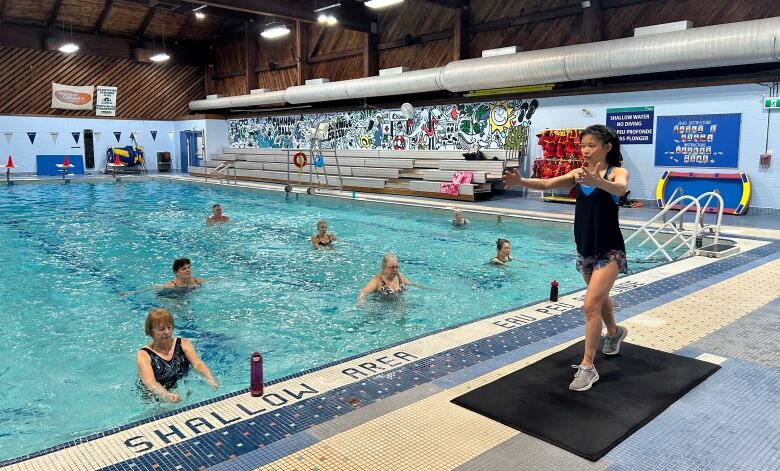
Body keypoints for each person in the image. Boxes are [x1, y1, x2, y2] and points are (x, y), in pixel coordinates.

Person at [503, 124, 630, 392]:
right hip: (586, 248)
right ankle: (615, 333)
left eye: (591, 145)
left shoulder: (617, 172)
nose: (585, 150)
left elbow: (620, 189)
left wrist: (599, 182)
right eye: (583, 145)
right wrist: (520, 181)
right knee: (600, 298)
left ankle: (587, 367)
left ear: (607, 148)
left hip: (610, 250)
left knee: (589, 305)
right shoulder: (578, 174)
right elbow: (548, 183)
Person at [136, 308, 218, 403]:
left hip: (178, 386)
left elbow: (197, 364)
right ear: (150, 332)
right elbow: (150, 382)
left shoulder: (184, 344)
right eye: (162, 329)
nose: (167, 332)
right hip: (153, 396)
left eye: (169, 327)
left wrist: (210, 378)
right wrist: (166, 396)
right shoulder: (144, 355)